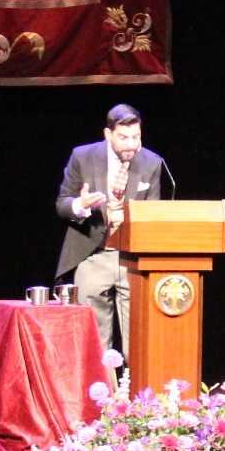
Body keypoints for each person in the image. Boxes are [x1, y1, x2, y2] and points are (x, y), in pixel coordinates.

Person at [55, 104, 167, 357]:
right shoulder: (82, 157)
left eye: (136, 137)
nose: (131, 144)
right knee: (94, 341)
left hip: (132, 258)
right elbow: (62, 204)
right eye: (123, 137)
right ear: (108, 134)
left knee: (137, 339)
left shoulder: (152, 162)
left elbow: (154, 213)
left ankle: (136, 395)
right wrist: (80, 205)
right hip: (93, 254)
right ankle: (100, 395)